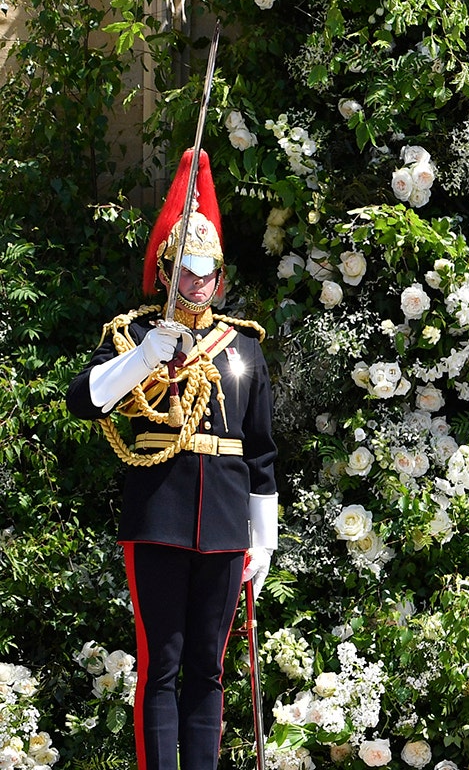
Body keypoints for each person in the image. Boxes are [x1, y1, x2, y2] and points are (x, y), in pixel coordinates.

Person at [66, 150, 277, 770]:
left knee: (208, 672)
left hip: (223, 528)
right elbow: (85, 399)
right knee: (161, 665)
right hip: (158, 516)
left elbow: (260, 452)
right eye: (185, 270)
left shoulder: (241, 349)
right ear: (165, 271)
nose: (198, 283)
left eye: (207, 271)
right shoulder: (131, 336)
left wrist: (261, 541)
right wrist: (143, 358)